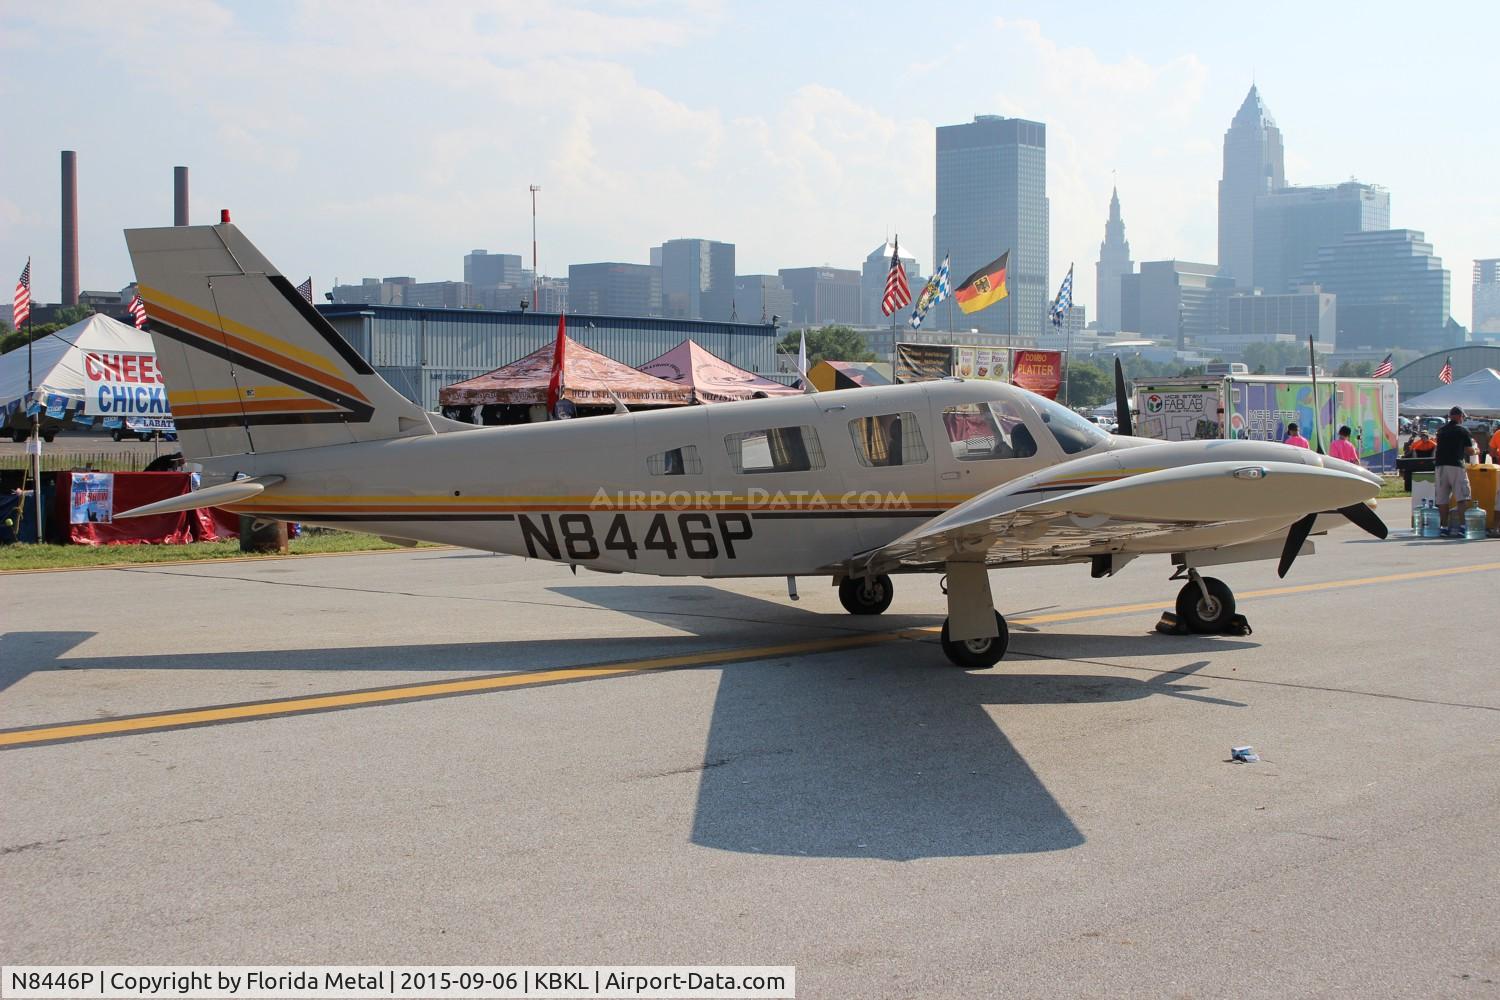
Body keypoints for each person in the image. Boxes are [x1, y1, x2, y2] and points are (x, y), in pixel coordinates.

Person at [1433, 405, 1477, 537]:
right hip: (1456, 465)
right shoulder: (1462, 430)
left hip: (1440, 466)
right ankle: (1463, 527)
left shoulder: (1441, 430)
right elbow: (1469, 450)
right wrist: (1476, 450)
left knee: (1442, 499)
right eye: (1463, 416)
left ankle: (1443, 527)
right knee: (1462, 497)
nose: (1463, 419)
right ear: (1458, 416)